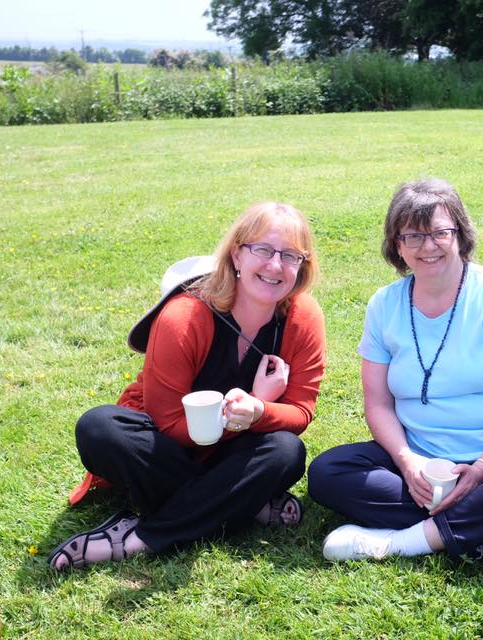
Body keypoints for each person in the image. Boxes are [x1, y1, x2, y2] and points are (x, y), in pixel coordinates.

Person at [48, 202, 326, 570]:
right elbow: (168, 423)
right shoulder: (184, 316)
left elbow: (301, 411)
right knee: (99, 428)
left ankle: (138, 537)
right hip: (165, 448)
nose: (276, 265)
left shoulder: (303, 317)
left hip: (232, 453)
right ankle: (241, 501)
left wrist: (258, 410)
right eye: (263, 250)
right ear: (237, 255)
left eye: (291, 256)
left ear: (302, 267)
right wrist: (245, 412)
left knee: (286, 452)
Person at [308, 179, 483, 572]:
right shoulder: (385, 305)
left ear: (460, 235)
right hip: (421, 458)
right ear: (397, 245)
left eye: (441, 233)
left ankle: (402, 542)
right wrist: (407, 461)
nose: (428, 247)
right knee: (327, 473)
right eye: (413, 235)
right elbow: (377, 403)